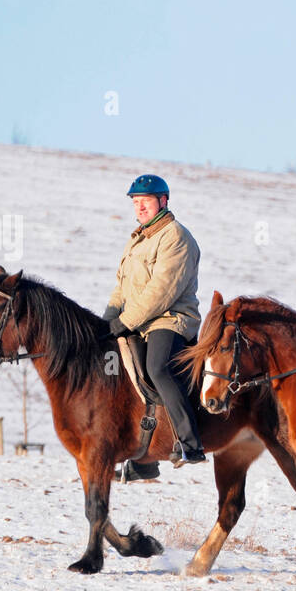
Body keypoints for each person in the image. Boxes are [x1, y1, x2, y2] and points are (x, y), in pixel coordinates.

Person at [103, 174, 206, 467]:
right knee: (115, 371)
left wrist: (125, 322)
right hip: (138, 321)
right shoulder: (137, 239)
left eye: (145, 201)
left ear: (162, 201)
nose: (139, 207)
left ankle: (190, 442)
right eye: (135, 202)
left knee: (157, 368)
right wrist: (106, 321)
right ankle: (143, 459)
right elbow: (121, 287)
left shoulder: (176, 237)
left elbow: (161, 291)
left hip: (170, 320)